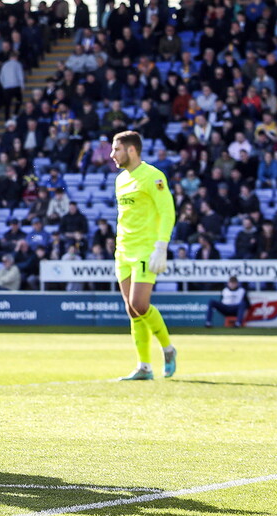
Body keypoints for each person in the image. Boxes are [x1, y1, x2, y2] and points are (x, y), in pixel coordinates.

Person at [110, 131, 177, 381]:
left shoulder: (153, 176)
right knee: (131, 310)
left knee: (140, 304)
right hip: (123, 251)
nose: (112, 155)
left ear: (131, 150)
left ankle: (168, 349)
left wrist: (161, 246)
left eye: (116, 149)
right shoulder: (119, 180)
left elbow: (167, 211)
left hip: (146, 249)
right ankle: (144, 367)